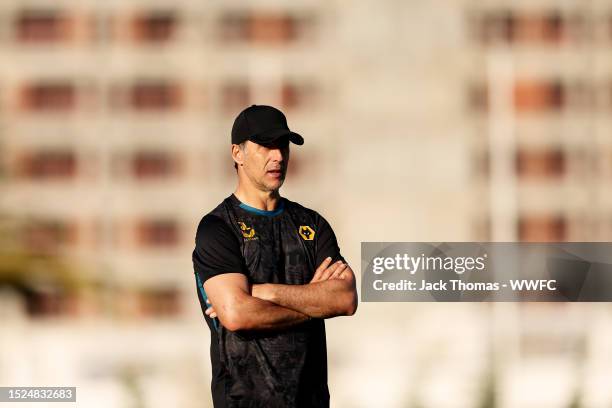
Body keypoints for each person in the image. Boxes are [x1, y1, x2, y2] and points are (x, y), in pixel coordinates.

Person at [192, 104, 357, 408]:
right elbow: (237, 314)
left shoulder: (312, 224)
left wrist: (265, 293)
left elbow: (345, 299)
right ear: (237, 153)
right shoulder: (218, 228)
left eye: (282, 145)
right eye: (265, 146)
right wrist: (314, 304)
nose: (278, 156)